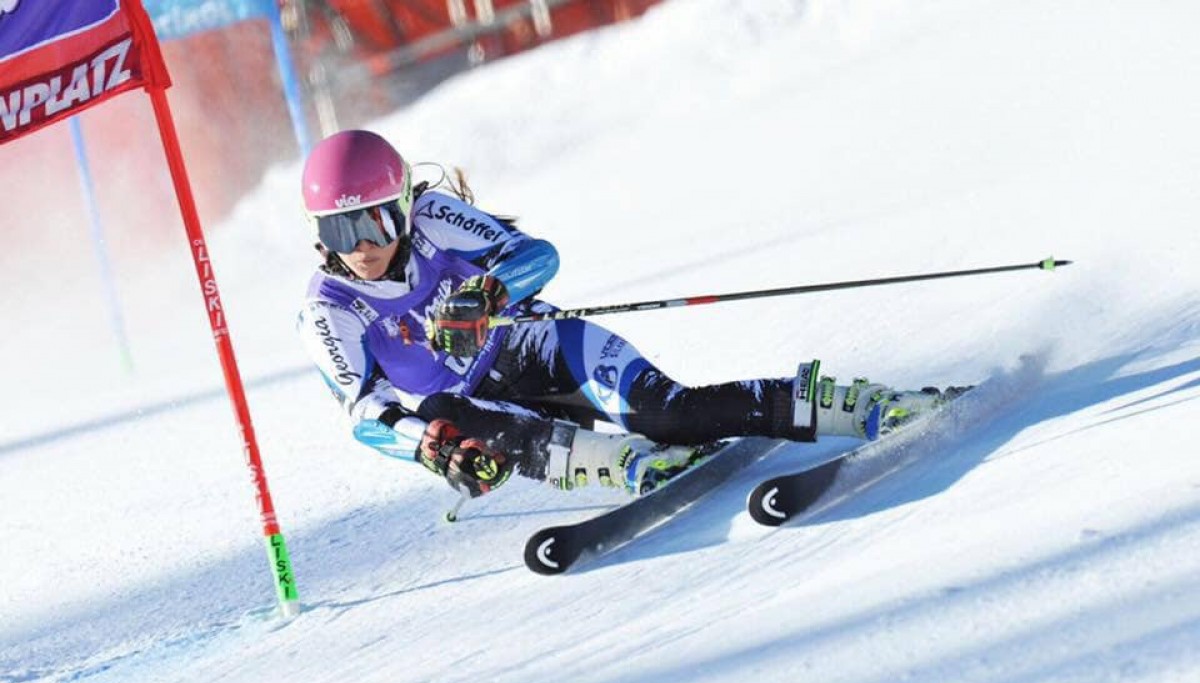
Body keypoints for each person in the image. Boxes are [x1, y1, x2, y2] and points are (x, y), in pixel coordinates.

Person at [297, 129, 957, 500]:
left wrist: (490, 294)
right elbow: (365, 410)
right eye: (339, 229)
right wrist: (430, 449)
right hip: (493, 411)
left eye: (374, 222)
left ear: (402, 208)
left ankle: (856, 404)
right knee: (444, 413)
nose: (361, 247)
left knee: (673, 414)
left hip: (541, 348)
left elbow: (536, 256)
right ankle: (628, 463)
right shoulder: (330, 310)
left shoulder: (433, 218)